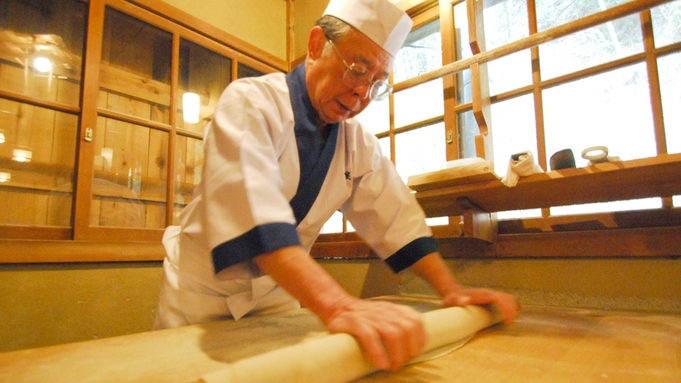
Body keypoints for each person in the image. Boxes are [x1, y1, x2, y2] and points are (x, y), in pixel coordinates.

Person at [153, 0, 519, 372]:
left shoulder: (357, 144)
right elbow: (255, 216)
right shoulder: (250, 103)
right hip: (200, 299)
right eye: (357, 69)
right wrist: (340, 305)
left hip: (279, 299)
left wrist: (452, 291)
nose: (362, 92)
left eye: (376, 83)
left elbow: (398, 220)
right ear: (315, 46)